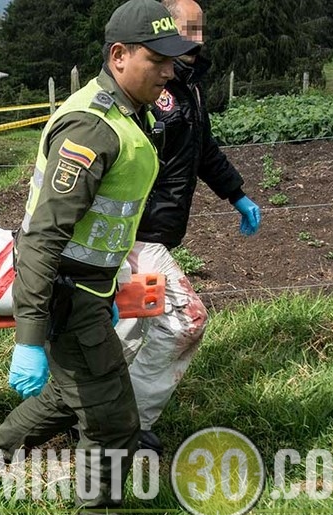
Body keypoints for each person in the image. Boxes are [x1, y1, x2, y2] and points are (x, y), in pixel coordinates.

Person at [0, 0, 198, 515]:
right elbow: (45, 236)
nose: (169, 70)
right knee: (114, 423)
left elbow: (98, 223)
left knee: (67, 395)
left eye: (173, 59)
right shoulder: (92, 129)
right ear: (119, 56)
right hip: (68, 296)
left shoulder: (125, 111)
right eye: (158, 59)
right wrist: (28, 338)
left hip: (87, 291)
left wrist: (110, 284)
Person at [114, 0, 262, 455]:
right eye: (183, 28)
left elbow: (204, 150)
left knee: (132, 330)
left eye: (198, 28)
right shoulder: (148, 89)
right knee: (184, 321)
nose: (193, 37)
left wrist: (235, 192)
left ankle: (95, 414)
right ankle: (125, 424)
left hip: (159, 230)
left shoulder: (191, 88)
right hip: (137, 232)